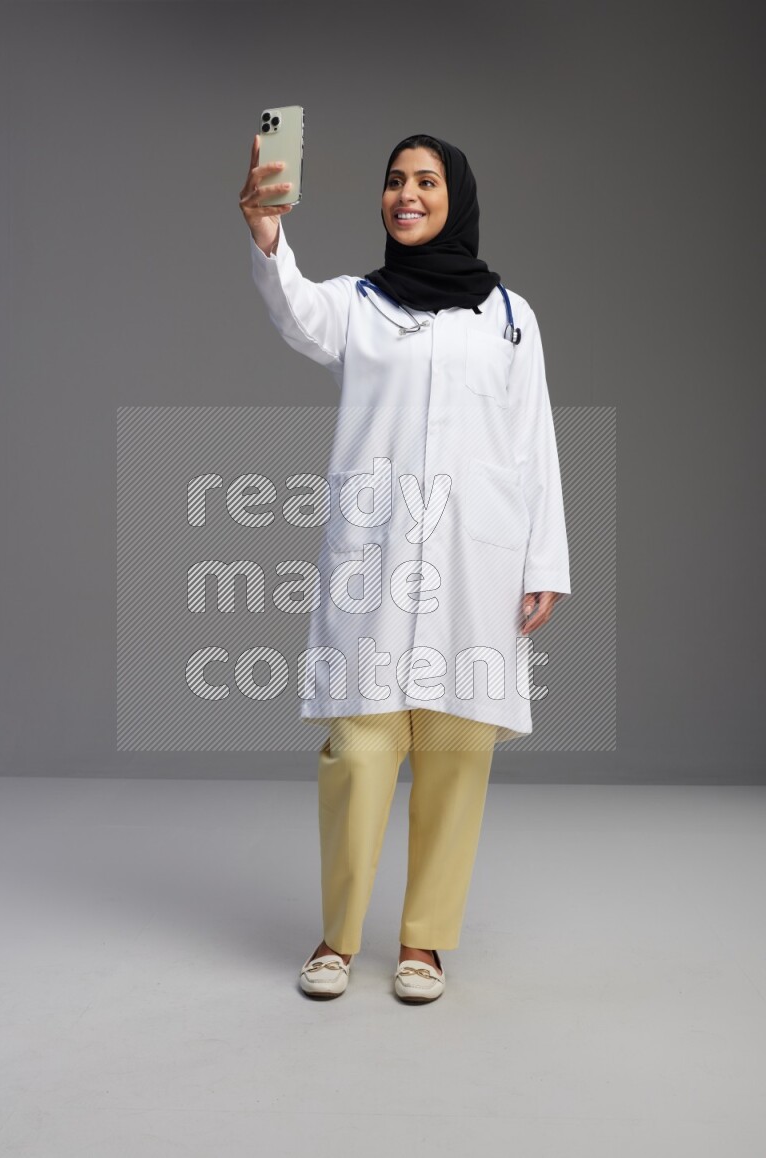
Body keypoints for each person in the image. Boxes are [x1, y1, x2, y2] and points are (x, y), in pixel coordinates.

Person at [239, 132, 571, 1002]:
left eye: (425, 181)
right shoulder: (359, 303)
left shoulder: (510, 316)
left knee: (457, 748)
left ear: (455, 196)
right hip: (376, 558)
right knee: (360, 746)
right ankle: (338, 937)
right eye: (394, 182)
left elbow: (533, 441)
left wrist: (543, 560)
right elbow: (296, 314)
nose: (406, 195)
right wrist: (270, 235)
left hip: (475, 560)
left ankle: (424, 943)